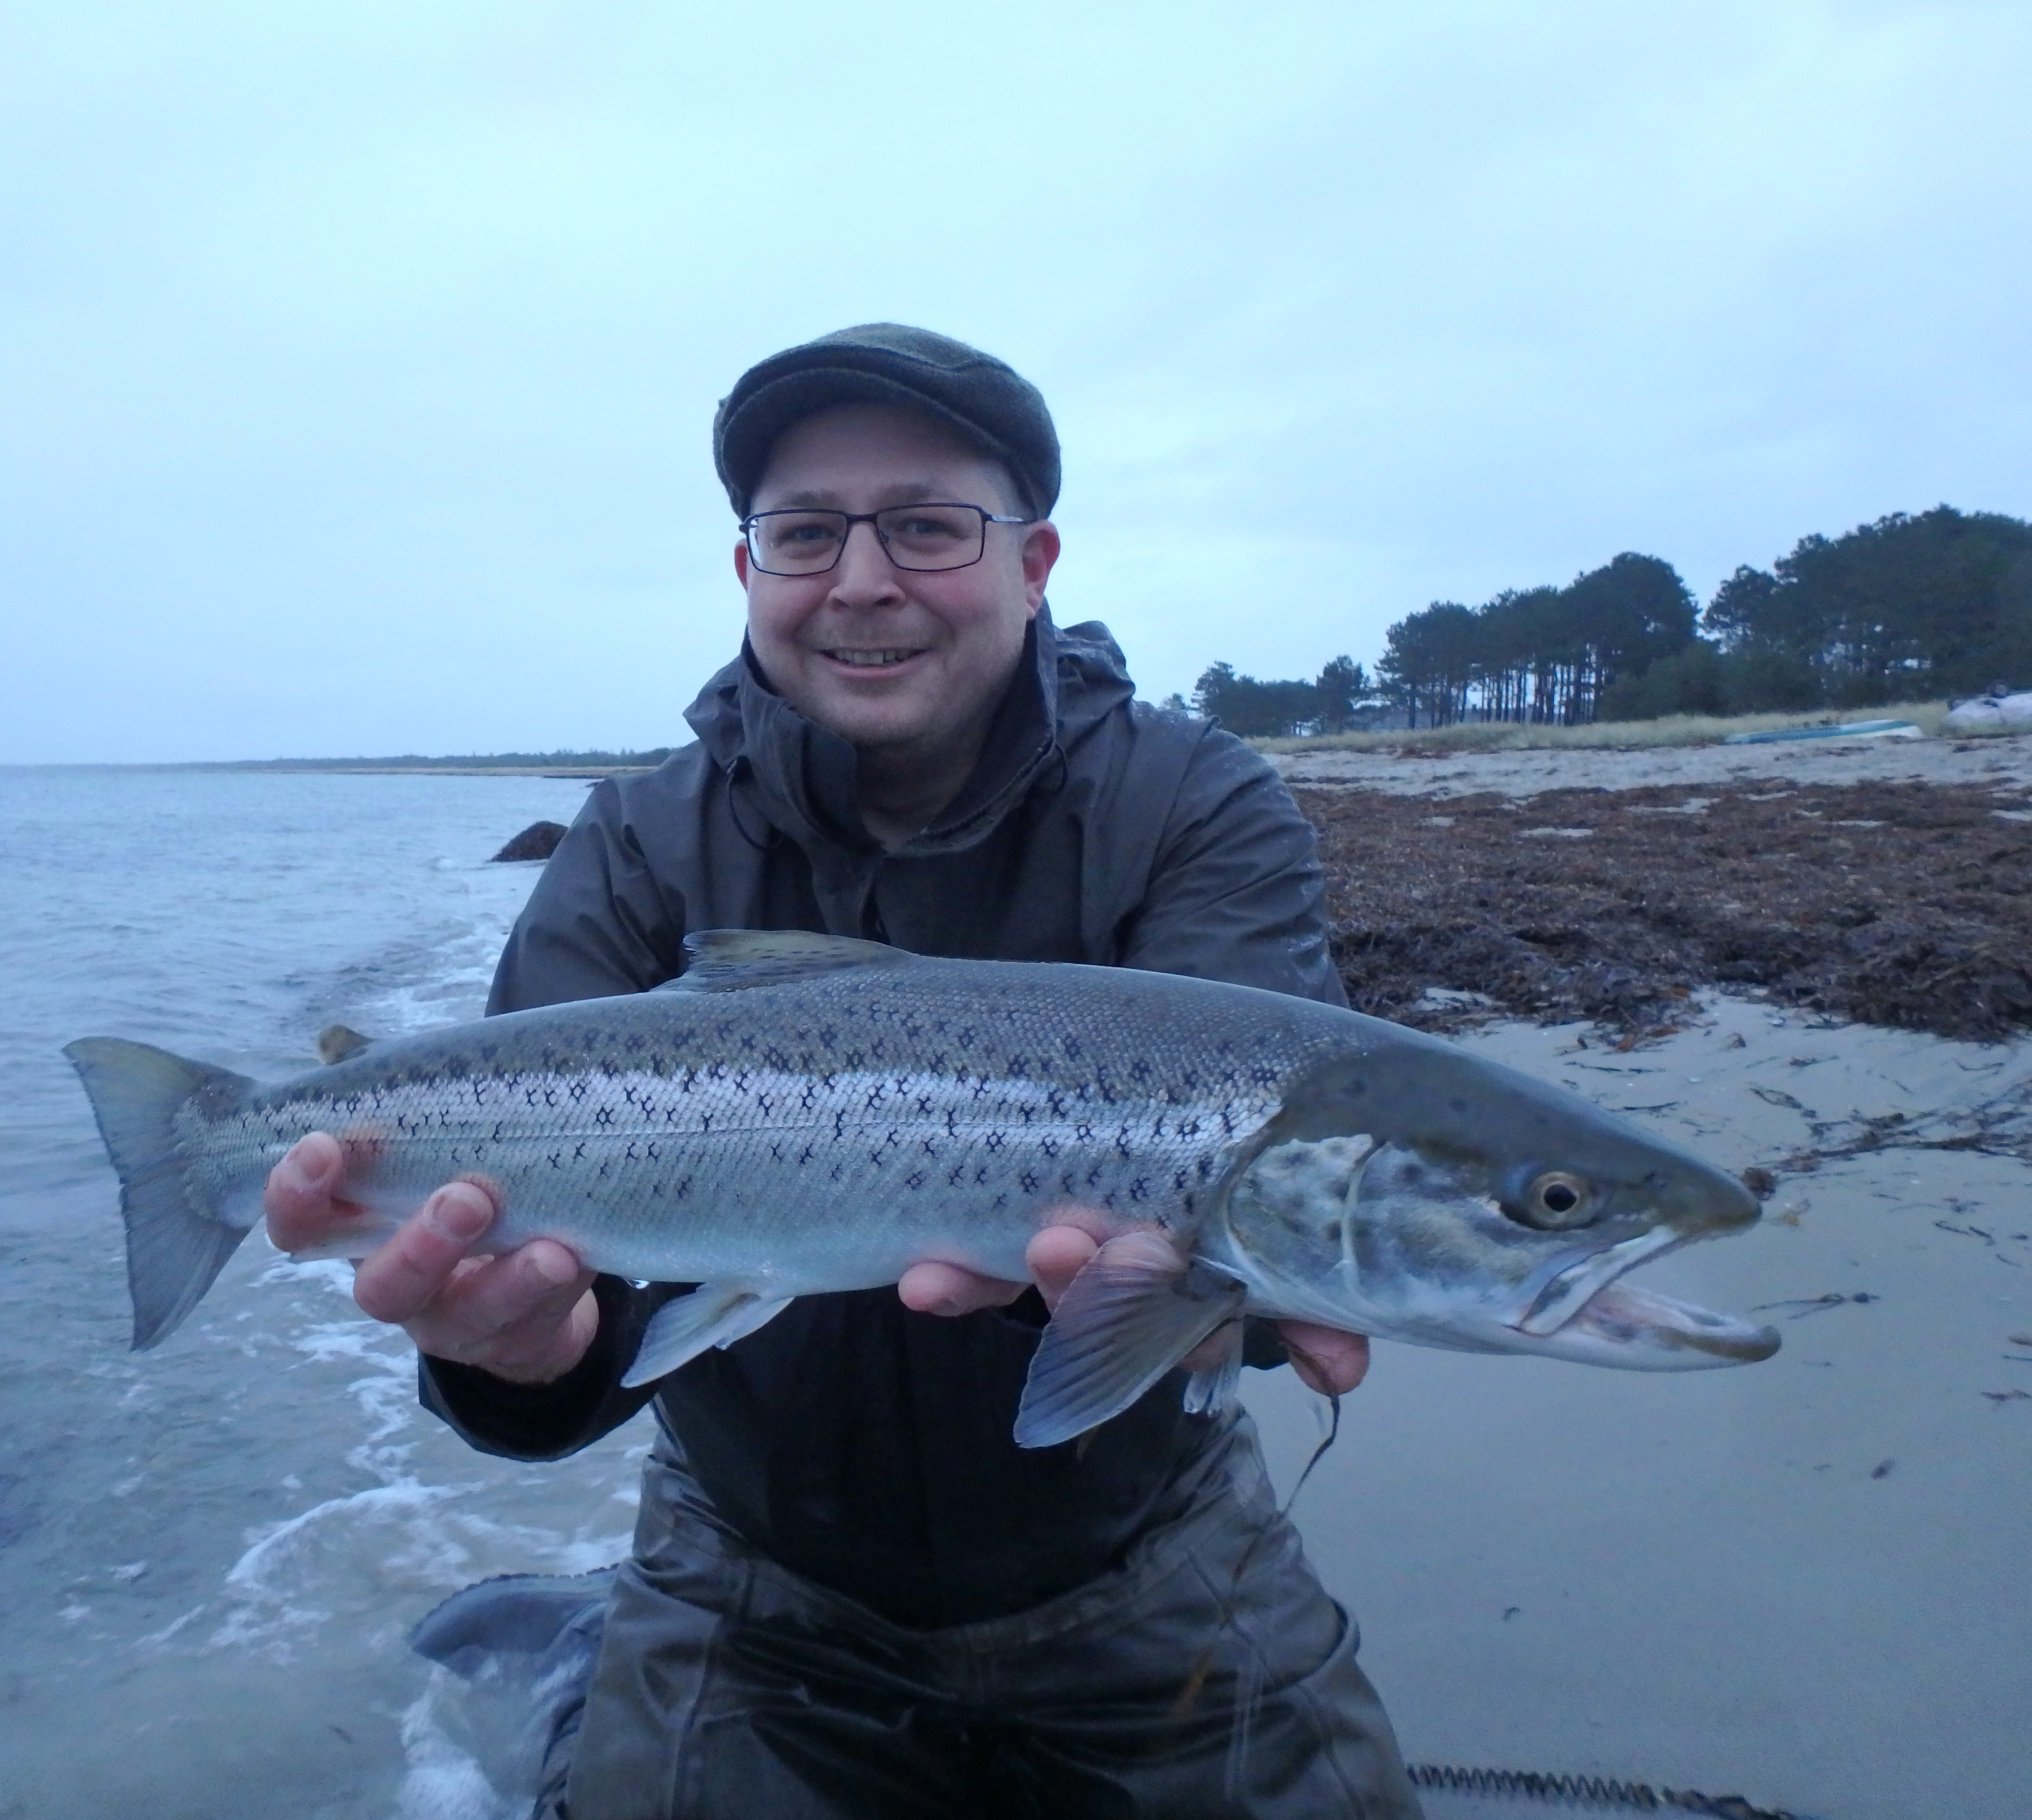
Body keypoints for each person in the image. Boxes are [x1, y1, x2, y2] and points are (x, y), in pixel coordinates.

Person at [267, 325, 1423, 1818]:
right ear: (750, 573)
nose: (862, 581)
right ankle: (586, 1673)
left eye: (929, 526)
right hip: (749, 1577)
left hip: (1148, 1549)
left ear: (1037, 559)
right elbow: (560, 1330)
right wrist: (515, 1357)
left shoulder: (1193, 804)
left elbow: (1267, 1181)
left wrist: (1239, 1321)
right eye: (806, 533)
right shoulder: (634, 841)